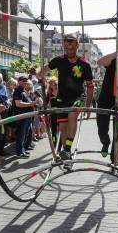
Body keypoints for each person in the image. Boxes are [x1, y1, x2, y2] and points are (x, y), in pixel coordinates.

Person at [39, 33, 94, 162]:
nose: (69, 44)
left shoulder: (85, 65)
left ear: (77, 45)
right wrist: (36, 73)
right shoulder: (59, 60)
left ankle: (68, 148)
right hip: (62, 99)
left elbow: (90, 87)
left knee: (73, 113)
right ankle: (66, 155)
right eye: (67, 42)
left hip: (78, 97)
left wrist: (88, 105)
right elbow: (43, 69)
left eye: (72, 42)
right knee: (63, 128)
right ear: (64, 44)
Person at [12, 76, 36, 158]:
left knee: (25, 134)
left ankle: (23, 150)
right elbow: (18, 104)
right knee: (21, 135)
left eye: (26, 81)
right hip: (22, 116)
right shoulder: (18, 91)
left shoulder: (24, 91)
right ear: (19, 81)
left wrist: (32, 103)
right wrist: (30, 104)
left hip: (27, 116)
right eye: (23, 81)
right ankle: (19, 152)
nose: (25, 82)